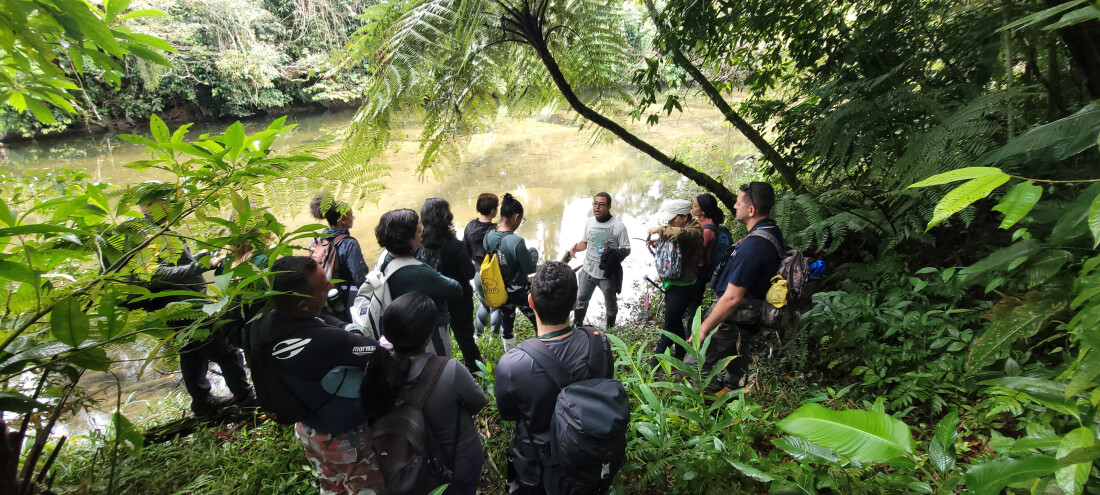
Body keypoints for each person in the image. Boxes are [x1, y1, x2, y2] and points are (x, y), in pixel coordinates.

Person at [247, 256, 385, 494]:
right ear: (303, 305)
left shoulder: (262, 326)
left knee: (332, 485)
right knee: (367, 487)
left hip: (309, 430)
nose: (331, 286)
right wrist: (350, 331)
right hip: (345, 438)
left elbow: (320, 320)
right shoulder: (328, 341)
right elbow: (374, 352)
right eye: (324, 286)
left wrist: (342, 327)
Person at [131, 185, 254, 417]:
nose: (171, 205)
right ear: (149, 205)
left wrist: (201, 259)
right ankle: (246, 401)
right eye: (164, 201)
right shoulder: (148, 235)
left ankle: (202, 402)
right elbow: (156, 274)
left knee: (192, 351)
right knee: (227, 351)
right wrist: (201, 265)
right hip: (185, 307)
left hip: (182, 305)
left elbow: (175, 264)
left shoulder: (157, 229)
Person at [495, 262, 614, 494]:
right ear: (575, 303)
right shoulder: (598, 343)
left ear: (530, 302)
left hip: (539, 463)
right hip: (588, 455)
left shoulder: (512, 364)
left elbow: (508, 414)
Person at [360, 292, 488, 495]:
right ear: (429, 333)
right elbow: (478, 402)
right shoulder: (450, 370)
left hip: (402, 461)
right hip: (456, 460)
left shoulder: (375, 369)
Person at [690, 182, 784, 392]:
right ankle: (730, 398)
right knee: (734, 369)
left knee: (696, 363)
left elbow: (732, 297)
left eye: (738, 203)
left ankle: (711, 413)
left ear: (751, 210)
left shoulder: (754, 246)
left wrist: (704, 329)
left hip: (735, 319)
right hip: (748, 319)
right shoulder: (771, 230)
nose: (734, 206)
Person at [376, 208, 462, 357]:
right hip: (429, 331)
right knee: (438, 367)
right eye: (418, 231)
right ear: (406, 239)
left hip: (405, 327)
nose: (422, 232)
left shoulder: (386, 258)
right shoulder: (418, 273)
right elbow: (455, 289)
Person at [418, 198, 482, 371]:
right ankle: (475, 368)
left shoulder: (421, 244)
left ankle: (440, 368)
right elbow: (469, 272)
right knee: (465, 336)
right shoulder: (454, 245)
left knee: (438, 337)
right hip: (459, 297)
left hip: (436, 298)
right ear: (446, 216)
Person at [645, 199, 704, 361]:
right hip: (672, 284)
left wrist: (659, 230)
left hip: (684, 286)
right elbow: (677, 244)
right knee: (676, 320)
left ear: (685, 217)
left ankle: (656, 359)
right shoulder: (683, 227)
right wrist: (656, 242)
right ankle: (680, 353)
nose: (670, 222)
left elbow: (680, 235)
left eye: (673, 219)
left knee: (669, 324)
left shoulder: (694, 231)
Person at [482, 194, 538, 351]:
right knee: (537, 320)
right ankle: (544, 349)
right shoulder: (516, 242)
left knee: (507, 322)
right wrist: (533, 252)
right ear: (516, 217)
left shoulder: (488, 237)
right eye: (521, 220)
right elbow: (530, 268)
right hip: (520, 291)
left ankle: (510, 353)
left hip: (501, 289)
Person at [569, 192, 630, 328]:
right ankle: (577, 325)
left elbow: (627, 249)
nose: (597, 207)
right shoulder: (589, 222)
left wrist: (614, 254)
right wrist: (575, 248)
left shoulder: (619, 226)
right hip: (588, 271)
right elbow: (585, 243)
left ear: (609, 206)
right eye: (595, 204)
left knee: (610, 304)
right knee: (581, 300)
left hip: (607, 274)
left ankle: (610, 330)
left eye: (601, 204)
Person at [309, 194, 370, 321]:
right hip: (344, 298)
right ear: (342, 219)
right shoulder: (349, 244)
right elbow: (359, 277)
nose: (353, 218)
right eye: (351, 215)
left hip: (325, 296)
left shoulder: (316, 241)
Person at [464, 193, 503, 338]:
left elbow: (466, 251)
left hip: (477, 272)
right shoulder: (495, 231)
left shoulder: (469, 227)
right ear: (493, 211)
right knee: (496, 306)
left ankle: (478, 335)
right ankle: (494, 338)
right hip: (492, 274)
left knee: (484, 303)